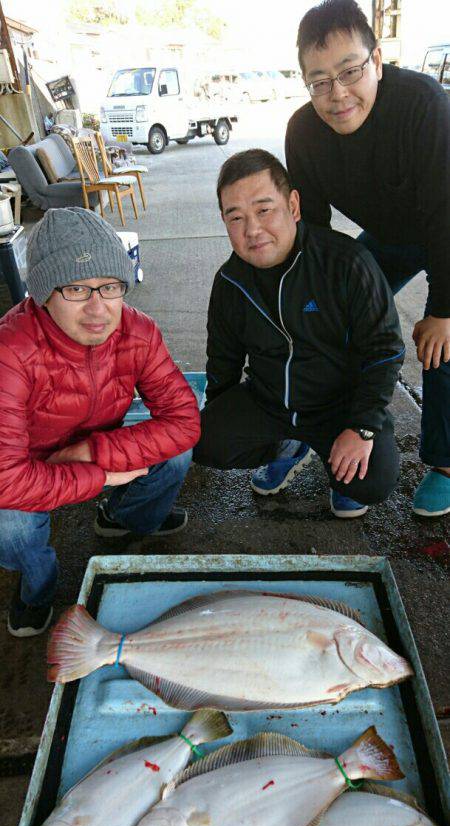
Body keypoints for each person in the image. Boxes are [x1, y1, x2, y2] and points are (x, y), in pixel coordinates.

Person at [0, 207, 200, 638]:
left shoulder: (138, 330)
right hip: (32, 462)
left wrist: (93, 452)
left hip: (97, 440)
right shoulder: (10, 351)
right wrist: (98, 475)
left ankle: (124, 517)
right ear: (42, 294)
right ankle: (38, 588)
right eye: (75, 288)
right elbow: (5, 477)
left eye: (109, 287)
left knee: (177, 452)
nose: (98, 308)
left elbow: (184, 421)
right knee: (8, 523)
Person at [285, 0, 450, 517]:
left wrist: (442, 310)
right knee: (337, 314)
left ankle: (445, 463)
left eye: (350, 71)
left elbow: (446, 213)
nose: (337, 94)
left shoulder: (423, 104)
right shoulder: (304, 132)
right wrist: (314, 308)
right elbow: (312, 232)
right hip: (391, 233)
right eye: (319, 80)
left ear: (377, 60)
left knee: (442, 344)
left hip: (445, 221)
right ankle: (338, 443)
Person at [193, 148, 404, 521]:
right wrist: (220, 417)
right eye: (236, 217)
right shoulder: (229, 282)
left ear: (292, 205)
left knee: (372, 481)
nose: (252, 230)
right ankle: (288, 448)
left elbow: (384, 351)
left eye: (264, 210)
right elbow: (222, 359)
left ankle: (340, 468)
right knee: (202, 441)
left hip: (340, 407)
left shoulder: (347, 262)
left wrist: (363, 427)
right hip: (269, 403)